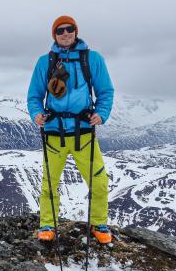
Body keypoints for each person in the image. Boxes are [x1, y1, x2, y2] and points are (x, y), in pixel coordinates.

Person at [26, 15, 114, 243]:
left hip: (83, 131)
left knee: (98, 180)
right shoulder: (45, 62)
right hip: (54, 131)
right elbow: (34, 95)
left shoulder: (92, 59)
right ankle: (47, 223)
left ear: (76, 31)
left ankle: (99, 223)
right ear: (54, 35)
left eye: (70, 29)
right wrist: (36, 113)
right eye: (60, 30)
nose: (65, 34)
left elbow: (105, 91)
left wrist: (101, 114)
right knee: (50, 183)